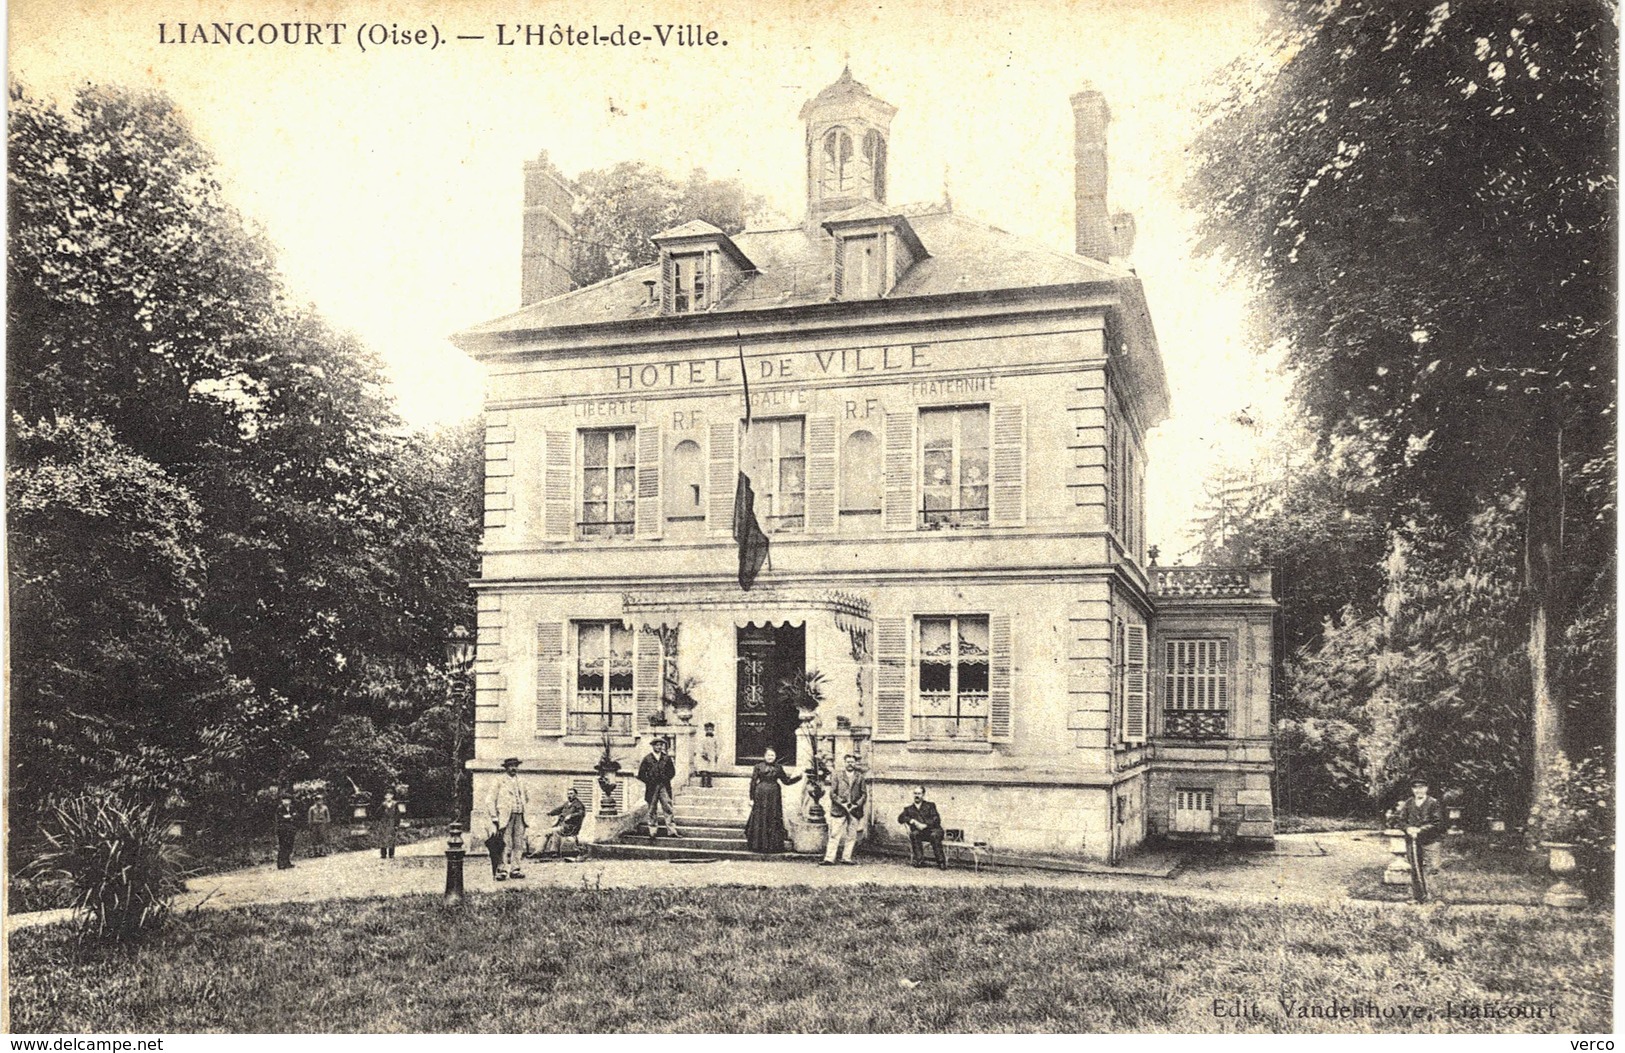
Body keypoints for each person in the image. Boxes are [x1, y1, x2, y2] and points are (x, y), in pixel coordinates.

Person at [744, 747, 802, 854]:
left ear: (775, 757)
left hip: (774, 795)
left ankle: (772, 846)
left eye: (772, 755)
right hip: (760, 793)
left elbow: (786, 781)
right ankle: (758, 845)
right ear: (764, 756)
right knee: (760, 817)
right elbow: (753, 783)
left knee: (773, 816)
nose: (770, 757)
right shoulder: (758, 767)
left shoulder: (779, 767)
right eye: (768, 755)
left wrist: (799, 778)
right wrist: (751, 798)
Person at [1396, 777, 1444, 903]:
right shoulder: (1409, 803)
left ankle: (1436, 898)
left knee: (1433, 868)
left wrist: (1420, 830)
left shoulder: (1433, 802)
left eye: (1421, 787)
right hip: (1413, 842)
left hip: (1431, 841)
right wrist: (1408, 828)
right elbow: (1401, 821)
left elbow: (1437, 823)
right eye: (1416, 788)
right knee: (1415, 869)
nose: (1419, 790)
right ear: (1412, 789)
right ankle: (1419, 897)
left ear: (1426, 789)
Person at [822, 754, 867, 866]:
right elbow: (832, 793)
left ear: (855, 763)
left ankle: (846, 858)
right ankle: (829, 859)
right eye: (848, 762)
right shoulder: (837, 775)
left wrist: (856, 805)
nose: (850, 764)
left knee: (851, 835)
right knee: (834, 834)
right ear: (844, 762)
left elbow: (864, 794)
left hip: (854, 810)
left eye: (852, 762)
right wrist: (843, 804)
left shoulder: (860, 777)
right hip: (839, 809)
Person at [488, 757, 529, 880]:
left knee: (518, 843)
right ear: (506, 768)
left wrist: (522, 808)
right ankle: (502, 870)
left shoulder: (521, 781)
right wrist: (494, 816)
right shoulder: (499, 781)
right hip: (505, 817)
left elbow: (526, 798)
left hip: (520, 815)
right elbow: (490, 799)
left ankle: (515, 869)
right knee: (505, 843)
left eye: (515, 765)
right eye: (510, 766)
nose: (513, 768)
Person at [637, 737, 681, 842]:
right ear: (653, 746)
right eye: (657, 745)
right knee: (652, 809)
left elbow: (672, 772)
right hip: (652, 787)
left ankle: (672, 831)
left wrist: (665, 779)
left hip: (664, 786)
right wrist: (649, 780)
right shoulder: (647, 759)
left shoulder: (666, 758)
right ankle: (652, 831)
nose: (659, 747)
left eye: (661, 745)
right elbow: (641, 774)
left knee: (668, 807)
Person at [898, 785, 947, 869]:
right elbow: (900, 818)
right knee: (914, 834)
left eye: (919, 793)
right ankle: (919, 860)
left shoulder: (930, 805)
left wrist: (925, 825)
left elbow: (936, 819)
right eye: (915, 793)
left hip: (933, 830)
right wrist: (911, 820)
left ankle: (941, 861)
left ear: (923, 795)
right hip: (921, 833)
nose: (917, 796)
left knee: (934, 835)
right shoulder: (909, 809)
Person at [540, 787, 588, 858]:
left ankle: (554, 852)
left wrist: (571, 815)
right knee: (547, 832)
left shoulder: (579, 804)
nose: (569, 795)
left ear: (576, 795)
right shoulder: (566, 804)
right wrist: (550, 813)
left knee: (555, 831)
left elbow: (581, 814)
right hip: (562, 825)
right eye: (568, 794)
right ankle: (539, 851)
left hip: (571, 827)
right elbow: (558, 809)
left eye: (571, 793)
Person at [275, 794, 298, 870]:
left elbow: (295, 816)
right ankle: (280, 863)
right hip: (282, 830)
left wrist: (289, 817)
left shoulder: (292, 808)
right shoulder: (280, 808)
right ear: (282, 800)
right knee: (283, 846)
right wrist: (290, 817)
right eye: (285, 799)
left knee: (290, 846)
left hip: (291, 830)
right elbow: (282, 818)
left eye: (288, 800)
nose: (286, 801)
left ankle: (287, 862)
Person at [306, 794, 331, 858]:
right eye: (317, 800)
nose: (319, 802)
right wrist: (310, 825)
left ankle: (322, 851)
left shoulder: (325, 808)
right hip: (314, 824)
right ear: (315, 801)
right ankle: (315, 852)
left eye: (320, 800)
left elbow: (327, 817)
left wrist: (327, 824)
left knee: (322, 837)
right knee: (314, 838)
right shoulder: (312, 808)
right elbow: (310, 817)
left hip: (322, 824)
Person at [377, 791, 399, 859]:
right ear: (385, 797)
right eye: (387, 795)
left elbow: (397, 815)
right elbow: (378, 813)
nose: (388, 797)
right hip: (384, 823)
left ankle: (391, 854)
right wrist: (381, 820)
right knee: (383, 838)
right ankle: (383, 854)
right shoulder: (383, 805)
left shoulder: (395, 804)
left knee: (391, 838)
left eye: (390, 795)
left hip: (392, 822)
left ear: (392, 796)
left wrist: (396, 824)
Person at [697, 723, 719, 788]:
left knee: (710, 770)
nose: (709, 731)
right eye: (708, 729)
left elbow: (716, 747)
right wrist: (703, 754)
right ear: (705, 730)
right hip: (705, 755)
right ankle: (703, 782)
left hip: (711, 755)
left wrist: (716, 755)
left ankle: (709, 782)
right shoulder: (703, 739)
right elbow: (700, 747)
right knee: (704, 769)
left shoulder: (714, 739)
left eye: (711, 729)